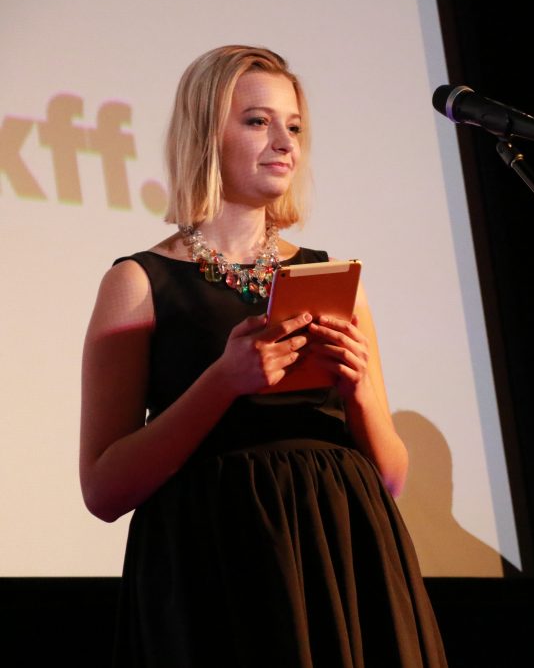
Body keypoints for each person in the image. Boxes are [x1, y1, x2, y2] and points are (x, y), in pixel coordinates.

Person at [79, 45, 447, 667]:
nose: (284, 143)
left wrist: (359, 392)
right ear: (206, 133)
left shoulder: (331, 278)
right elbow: (104, 490)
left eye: (294, 127)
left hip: (342, 552)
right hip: (218, 567)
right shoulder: (138, 283)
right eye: (257, 121)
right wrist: (223, 382)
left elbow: (391, 479)